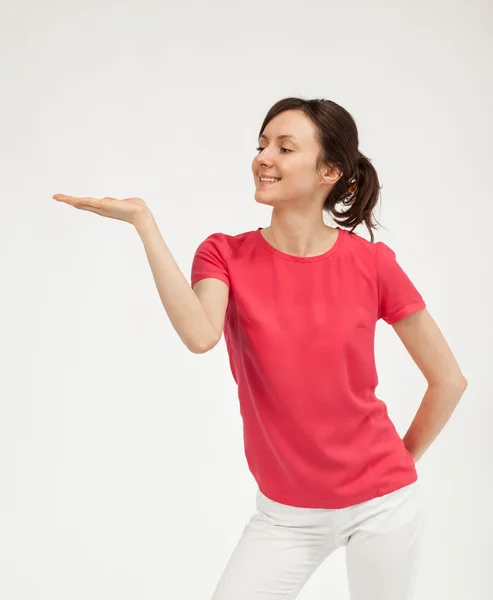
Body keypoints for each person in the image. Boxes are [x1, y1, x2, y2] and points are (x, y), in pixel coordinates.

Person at [53, 97, 468, 600]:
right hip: (285, 515)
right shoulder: (224, 254)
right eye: (261, 144)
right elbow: (200, 334)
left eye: (284, 147)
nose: (263, 157)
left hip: (382, 506)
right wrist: (144, 222)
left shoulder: (372, 264)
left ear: (329, 171)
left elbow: (448, 380)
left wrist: (396, 467)